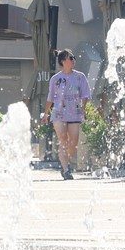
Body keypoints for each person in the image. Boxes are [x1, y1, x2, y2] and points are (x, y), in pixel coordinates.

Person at [42, 49, 91, 180]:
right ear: (63, 61)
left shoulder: (80, 77)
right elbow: (50, 97)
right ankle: (65, 169)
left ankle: (66, 161)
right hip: (59, 113)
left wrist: (83, 107)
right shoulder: (55, 79)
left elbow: (86, 94)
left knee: (73, 143)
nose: (73, 60)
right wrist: (46, 114)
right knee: (63, 139)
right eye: (71, 58)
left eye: (74, 58)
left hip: (74, 113)